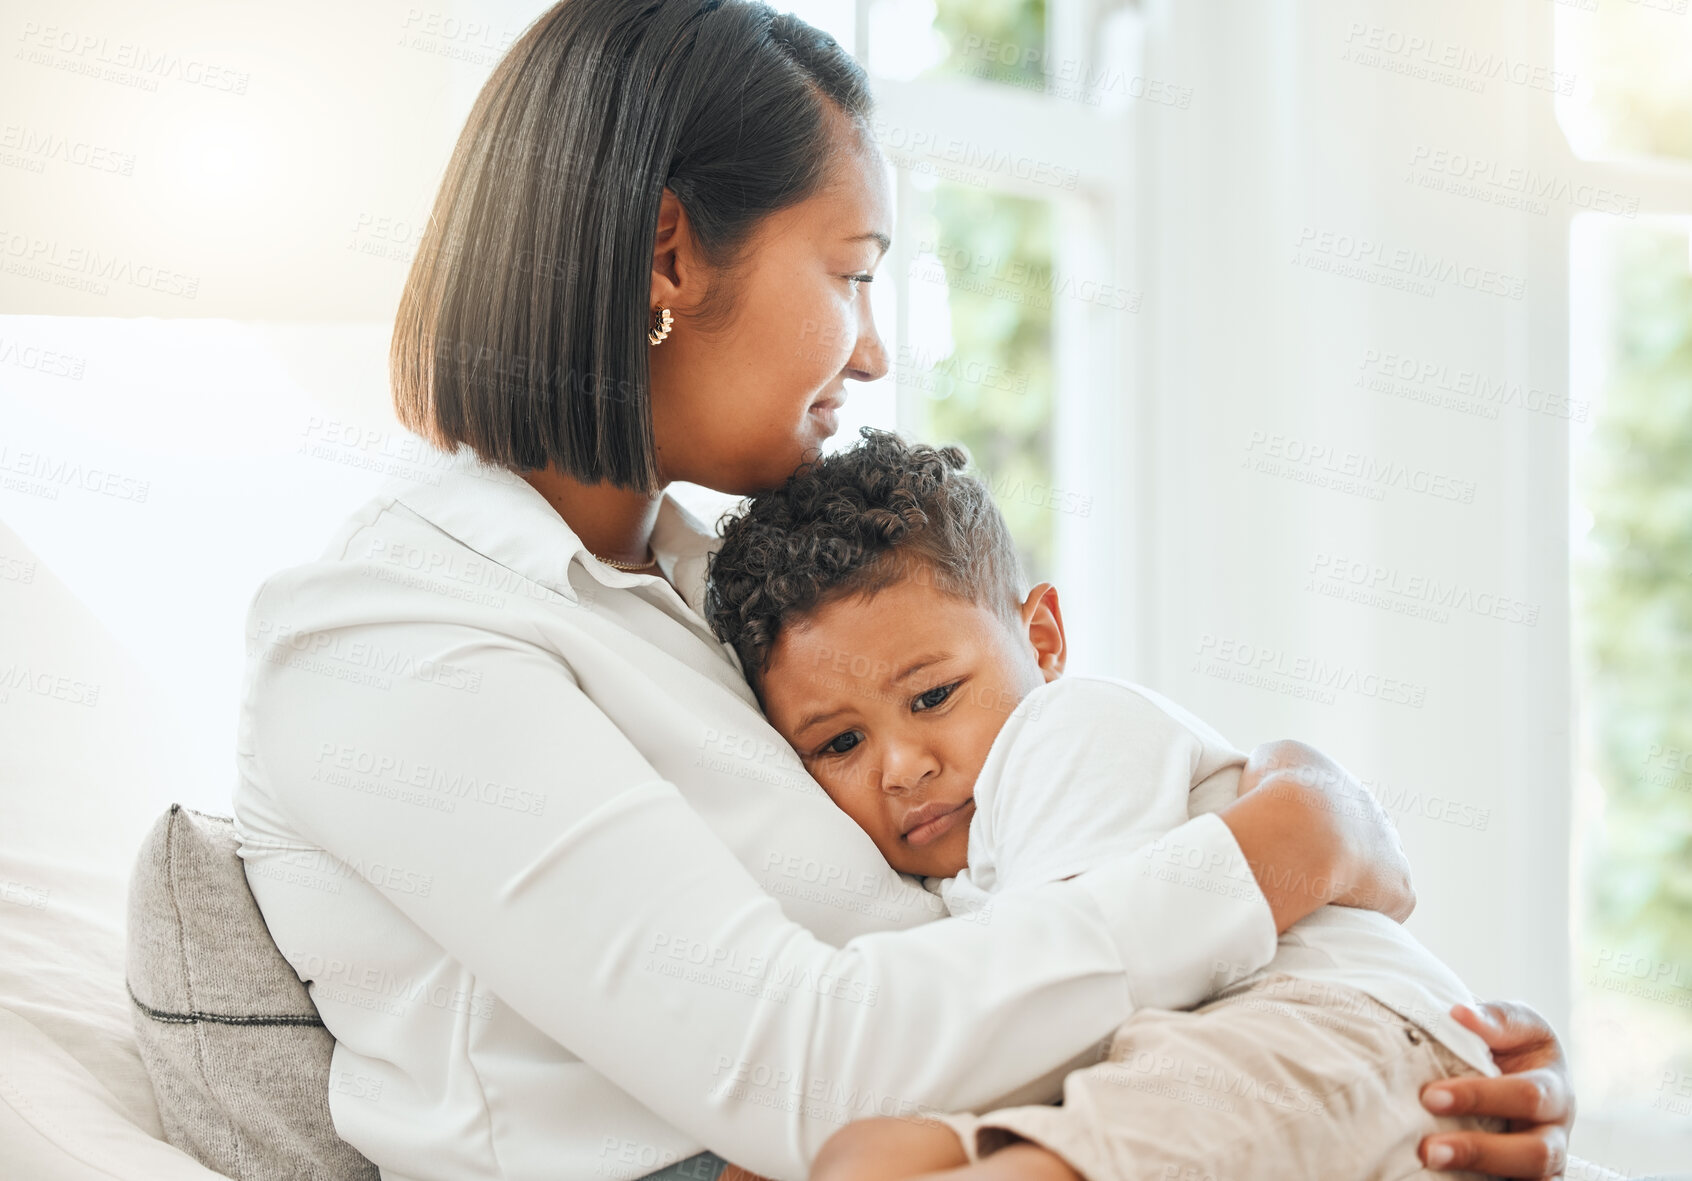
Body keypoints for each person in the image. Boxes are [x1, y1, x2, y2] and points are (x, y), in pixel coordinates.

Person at [232, 2, 1575, 1179]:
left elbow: (1006, 913)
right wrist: (1282, 851)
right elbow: (807, 1069)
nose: (873, 353)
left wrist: (1402, 1043)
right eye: (853, 273)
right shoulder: (391, 645)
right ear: (667, 253)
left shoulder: (722, 599)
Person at [703, 429, 1523, 1180]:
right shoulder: (938, 879)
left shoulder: (1064, 732)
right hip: (1173, 1058)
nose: (904, 768)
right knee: (866, 1157)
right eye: (840, 745)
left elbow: (1060, 1000)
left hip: (1332, 1025)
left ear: (1044, 641)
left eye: (934, 695)